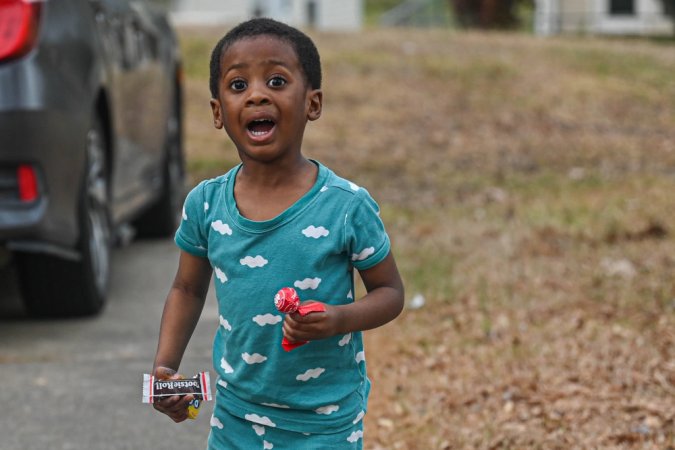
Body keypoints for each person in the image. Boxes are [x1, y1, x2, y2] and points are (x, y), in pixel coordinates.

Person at [151, 17, 405, 449]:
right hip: (235, 416)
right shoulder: (206, 205)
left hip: (325, 421)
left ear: (312, 103)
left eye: (276, 80)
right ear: (218, 113)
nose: (257, 94)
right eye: (237, 86)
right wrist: (166, 368)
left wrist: (340, 319)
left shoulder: (346, 206)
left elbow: (390, 293)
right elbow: (187, 289)